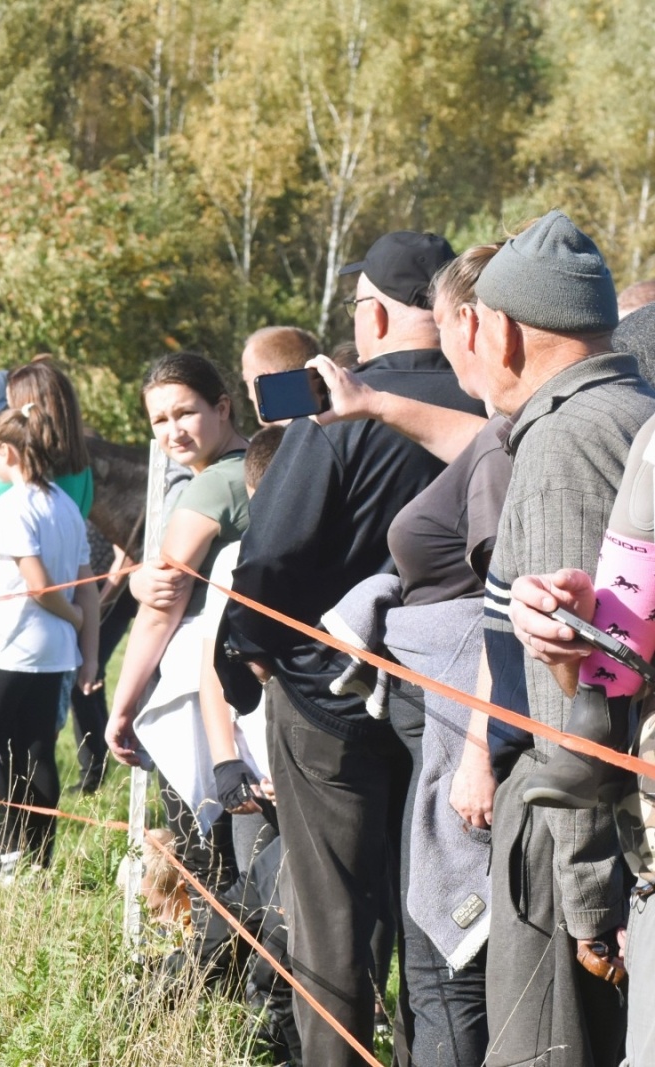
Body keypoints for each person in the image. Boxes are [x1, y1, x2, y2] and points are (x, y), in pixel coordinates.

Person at [213, 229, 485, 1067]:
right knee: (430, 916)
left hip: (325, 696)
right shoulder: (489, 405)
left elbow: (269, 555)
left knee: (332, 924)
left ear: (374, 316)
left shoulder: (335, 414)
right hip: (454, 694)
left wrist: (244, 660)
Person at [452, 210, 653, 1067]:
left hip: (593, 836)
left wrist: (586, 896)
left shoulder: (566, 440)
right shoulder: (632, 409)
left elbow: (581, 695)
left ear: (501, 330)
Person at [310, 243, 508, 1067]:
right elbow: (491, 440)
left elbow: (510, 598)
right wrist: (376, 405)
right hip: (444, 718)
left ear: (476, 326)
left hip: (468, 727)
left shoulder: (520, 441)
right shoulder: (511, 432)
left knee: (442, 971)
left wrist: (477, 751)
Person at [105, 352, 250, 905]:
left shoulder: (214, 486)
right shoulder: (257, 466)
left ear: (222, 407)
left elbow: (164, 604)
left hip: (203, 686)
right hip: (245, 677)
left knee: (203, 845)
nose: (172, 431)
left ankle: (207, 974)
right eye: (159, 421)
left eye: (185, 413)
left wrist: (125, 704)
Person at [0, 408, 99, 880]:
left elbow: (40, 587)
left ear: (9, 452)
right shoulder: (65, 503)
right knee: (35, 750)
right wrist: (88, 650)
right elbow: (89, 583)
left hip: (15, 641)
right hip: (56, 650)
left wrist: (73, 615)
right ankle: (39, 862)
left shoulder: (13, 503)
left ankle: (7, 853)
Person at [240, 326, 323, 427]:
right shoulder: (339, 426)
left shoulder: (292, 441)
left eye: (248, 381)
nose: (249, 396)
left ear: (267, 383)